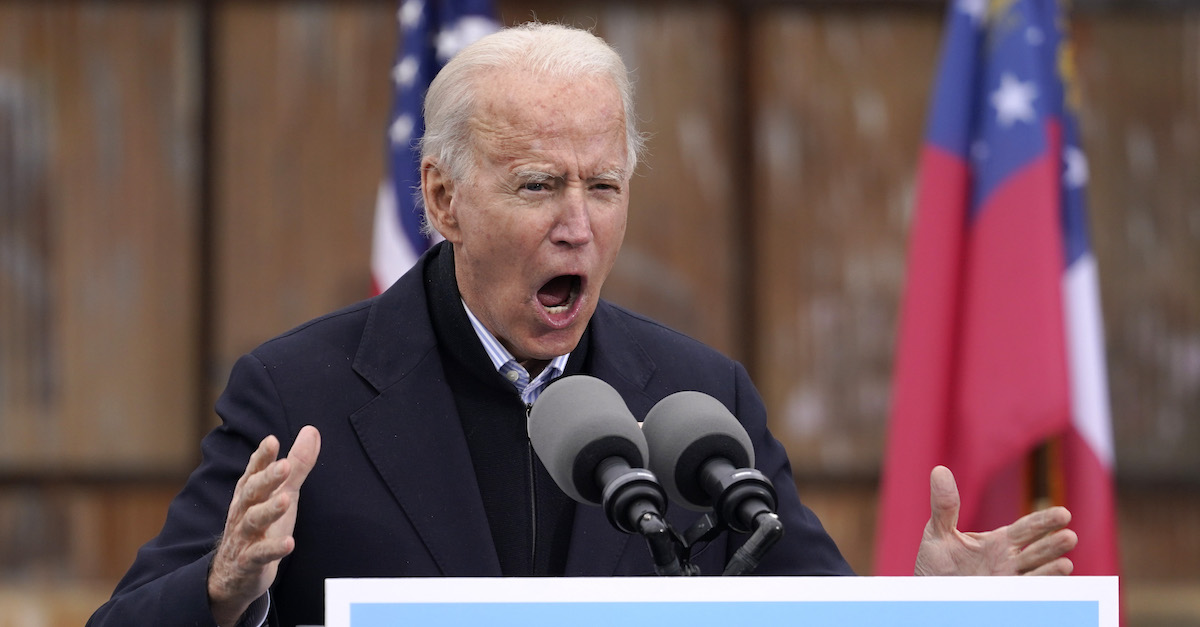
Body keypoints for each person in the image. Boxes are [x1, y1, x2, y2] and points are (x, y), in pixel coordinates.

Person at [88, 22, 1077, 627]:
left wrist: (922, 609)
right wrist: (223, 593)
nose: (577, 223)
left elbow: (801, 610)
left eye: (603, 186)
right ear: (442, 201)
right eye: (538, 185)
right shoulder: (298, 394)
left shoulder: (698, 399)